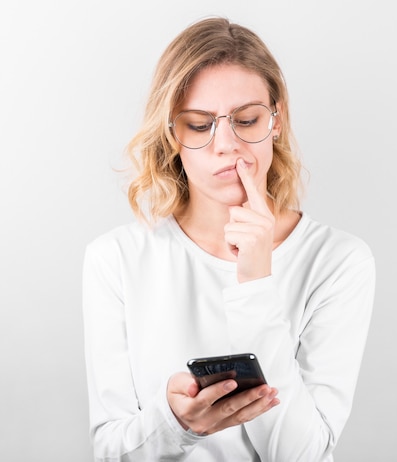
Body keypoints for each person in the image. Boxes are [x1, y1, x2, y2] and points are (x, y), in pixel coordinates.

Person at [82, 16, 375, 462]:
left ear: (276, 121)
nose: (226, 145)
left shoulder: (338, 261)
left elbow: (301, 454)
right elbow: (110, 450)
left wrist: (256, 282)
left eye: (247, 120)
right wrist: (178, 424)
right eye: (200, 125)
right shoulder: (116, 259)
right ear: (171, 134)